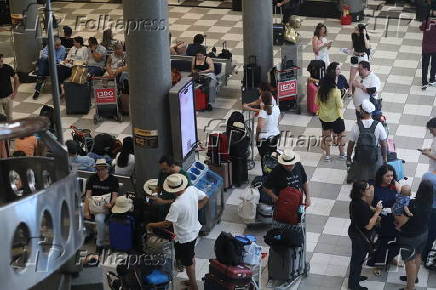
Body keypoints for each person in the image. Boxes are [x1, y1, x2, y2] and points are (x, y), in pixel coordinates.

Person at [146, 174, 209, 290]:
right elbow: (205, 198)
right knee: (191, 257)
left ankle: (194, 287)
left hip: (185, 237)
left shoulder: (176, 205)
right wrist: (196, 208)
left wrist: (150, 225)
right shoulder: (192, 189)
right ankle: (192, 281)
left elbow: (166, 223)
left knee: (188, 262)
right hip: (194, 230)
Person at [396, 180, 433, 290]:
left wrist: (396, 222)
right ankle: (413, 278)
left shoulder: (412, 204)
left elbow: (402, 220)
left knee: (409, 261)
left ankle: (410, 287)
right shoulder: (429, 203)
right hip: (423, 233)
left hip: (409, 237)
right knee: (417, 256)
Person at [348, 181, 383, 290]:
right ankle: (353, 285)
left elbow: (366, 210)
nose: (370, 190)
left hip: (356, 232)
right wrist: (377, 212)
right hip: (360, 237)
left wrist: (373, 209)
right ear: (361, 192)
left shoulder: (356, 202)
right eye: (368, 189)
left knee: (358, 259)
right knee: (357, 260)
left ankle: (355, 278)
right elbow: (368, 226)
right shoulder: (360, 206)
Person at [368, 165, 401, 274]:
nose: (390, 178)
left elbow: (402, 198)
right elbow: (368, 205)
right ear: (381, 176)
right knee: (382, 243)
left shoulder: (394, 184)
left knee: (395, 240)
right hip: (381, 219)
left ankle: (390, 258)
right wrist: (378, 210)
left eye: (392, 175)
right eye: (387, 176)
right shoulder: (373, 187)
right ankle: (378, 264)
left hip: (393, 218)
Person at [346, 100, 388, 183]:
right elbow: (384, 144)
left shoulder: (356, 125)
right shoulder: (378, 125)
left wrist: (348, 157)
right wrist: (385, 159)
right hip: (374, 155)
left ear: (362, 112)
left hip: (360, 155)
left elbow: (351, 144)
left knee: (359, 172)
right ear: (371, 112)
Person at [83, 159, 119, 252]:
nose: (99, 172)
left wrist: (111, 204)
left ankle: (100, 243)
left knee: (99, 219)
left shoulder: (113, 180)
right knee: (77, 212)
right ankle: (86, 233)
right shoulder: (92, 178)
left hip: (103, 207)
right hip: (92, 204)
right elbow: (88, 195)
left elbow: (115, 196)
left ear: (107, 169)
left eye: (102, 169)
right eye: (98, 170)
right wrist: (86, 210)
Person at [316, 62, 346, 161]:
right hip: (336, 117)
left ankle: (327, 156)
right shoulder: (336, 92)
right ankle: (342, 154)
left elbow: (316, 102)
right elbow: (340, 105)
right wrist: (342, 96)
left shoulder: (320, 90)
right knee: (341, 135)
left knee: (326, 137)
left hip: (324, 117)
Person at [256, 91, 281, 170]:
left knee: (264, 159)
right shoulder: (276, 108)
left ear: (262, 101)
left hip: (264, 139)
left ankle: (266, 177)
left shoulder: (263, 112)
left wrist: (256, 136)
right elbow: (278, 120)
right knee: (273, 157)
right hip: (275, 136)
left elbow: (260, 126)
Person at [349, 24, 371, 92]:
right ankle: (350, 90)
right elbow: (352, 45)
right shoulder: (353, 35)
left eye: (357, 28)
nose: (355, 29)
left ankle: (363, 88)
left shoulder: (365, 36)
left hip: (363, 57)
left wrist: (364, 35)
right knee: (352, 76)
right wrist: (348, 50)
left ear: (360, 30)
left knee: (363, 74)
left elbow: (367, 46)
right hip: (355, 56)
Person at [421, 168, 436, 262]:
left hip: (427, 206)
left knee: (428, 233)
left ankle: (424, 253)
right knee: (432, 233)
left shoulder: (426, 176)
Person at [0, 53, 19, 121]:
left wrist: (15, 91)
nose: (0, 63)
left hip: (8, 97)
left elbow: (16, 78)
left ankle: (10, 131)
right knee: (1, 119)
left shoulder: (8, 68)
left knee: (9, 118)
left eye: (1, 61)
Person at [420, 17, 436, 90]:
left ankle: (424, 82)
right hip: (435, 48)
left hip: (426, 48)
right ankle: (432, 80)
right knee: (434, 64)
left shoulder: (425, 22)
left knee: (425, 65)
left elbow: (421, 28)